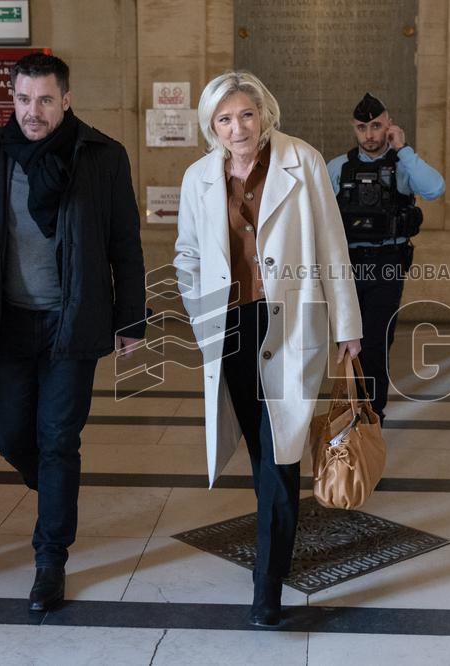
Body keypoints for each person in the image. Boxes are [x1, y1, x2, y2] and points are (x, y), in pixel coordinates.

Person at [0, 53, 146, 611]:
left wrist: (132, 318)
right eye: (23, 99)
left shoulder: (102, 156)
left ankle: (49, 559)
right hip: (8, 318)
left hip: (72, 319)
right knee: (9, 434)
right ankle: (56, 494)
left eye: (45, 100)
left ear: (67, 99)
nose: (32, 112)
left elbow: (124, 244)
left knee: (58, 439)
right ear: (12, 98)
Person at [175, 71, 362, 627]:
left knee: (281, 452)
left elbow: (332, 243)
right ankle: (273, 545)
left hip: (291, 322)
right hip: (230, 326)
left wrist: (346, 324)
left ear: (264, 114)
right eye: (225, 119)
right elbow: (186, 254)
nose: (238, 128)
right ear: (212, 126)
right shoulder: (198, 177)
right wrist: (198, 311)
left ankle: (268, 585)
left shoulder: (300, 161)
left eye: (246, 115)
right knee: (263, 451)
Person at [326, 93, 445, 422]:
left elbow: (435, 188)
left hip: (386, 264)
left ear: (388, 126)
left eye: (376, 126)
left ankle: (372, 411)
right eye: (362, 127)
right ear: (355, 129)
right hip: (346, 265)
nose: (369, 135)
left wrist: (403, 149)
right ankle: (350, 404)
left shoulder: (402, 166)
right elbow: (316, 213)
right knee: (347, 338)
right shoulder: (338, 167)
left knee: (376, 339)